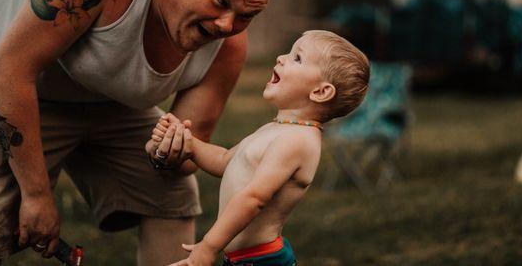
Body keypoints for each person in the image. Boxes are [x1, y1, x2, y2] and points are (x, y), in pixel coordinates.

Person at [0, 0, 281, 266]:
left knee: (171, 193)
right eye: (220, 1)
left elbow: (185, 157)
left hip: (97, 93)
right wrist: (37, 195)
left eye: (246, 15)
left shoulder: (227, 47)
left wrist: (169, 151)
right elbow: (10, 70)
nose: (226, 24)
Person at [146, 30, 370, 266]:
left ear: (320, 92)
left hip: (262, 259)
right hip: (244, 258)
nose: (281, 58)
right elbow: (224, 160)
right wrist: (190, 144)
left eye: (297, 58)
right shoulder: (277, 128)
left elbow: (254, 198)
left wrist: (209, 246)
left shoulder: (297, 141)